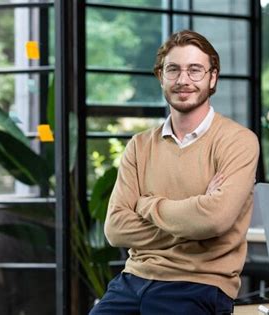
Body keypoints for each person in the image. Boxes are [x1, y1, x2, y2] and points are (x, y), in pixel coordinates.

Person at [89, 30, 259, 315]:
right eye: (173, 70)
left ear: (212, 78)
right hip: (132, 281)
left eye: (195, 70)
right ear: (161, 77)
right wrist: (191, 223)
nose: (183, 80)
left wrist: (146, 204)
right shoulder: (140, 146)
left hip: (199, 285)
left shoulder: (238, 141)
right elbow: (115, 229)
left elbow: (214, 221)